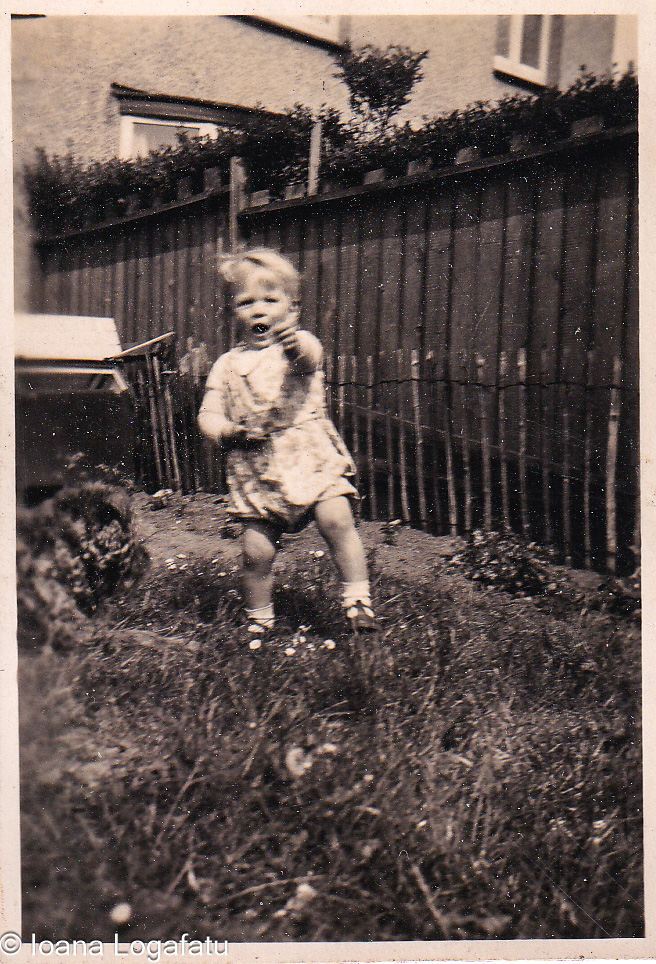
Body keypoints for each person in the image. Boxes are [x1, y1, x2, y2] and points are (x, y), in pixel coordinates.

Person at [198, 247, 378, 649]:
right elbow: (207, 414)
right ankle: (259, 621)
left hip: (308, 454)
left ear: (293, 309)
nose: (259, 311)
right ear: (233, 314)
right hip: (256, 466)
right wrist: (226, 432)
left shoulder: (299, 347)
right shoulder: (227, 364)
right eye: (246, 303)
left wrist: (293, 342)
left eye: (270, 300)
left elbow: (307, 358)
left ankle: (357, 600)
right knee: (255, 551)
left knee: (336, 518)